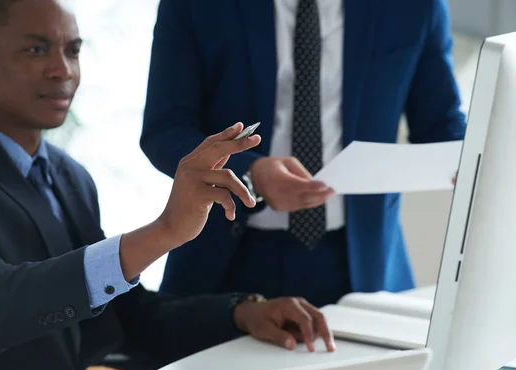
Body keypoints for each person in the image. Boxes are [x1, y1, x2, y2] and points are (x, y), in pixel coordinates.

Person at [0, 1, 335, 370]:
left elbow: (126, 319)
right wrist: (164, 231)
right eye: (35, 49)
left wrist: (242, 313)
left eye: (73, 50)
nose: (63, 70)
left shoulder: (69, 177)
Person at [140, 0, 467, 306]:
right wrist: (249, 175)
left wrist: (492, 152)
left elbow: (440, 125)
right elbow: (165, 130)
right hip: (227, 260)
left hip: (364, 264)